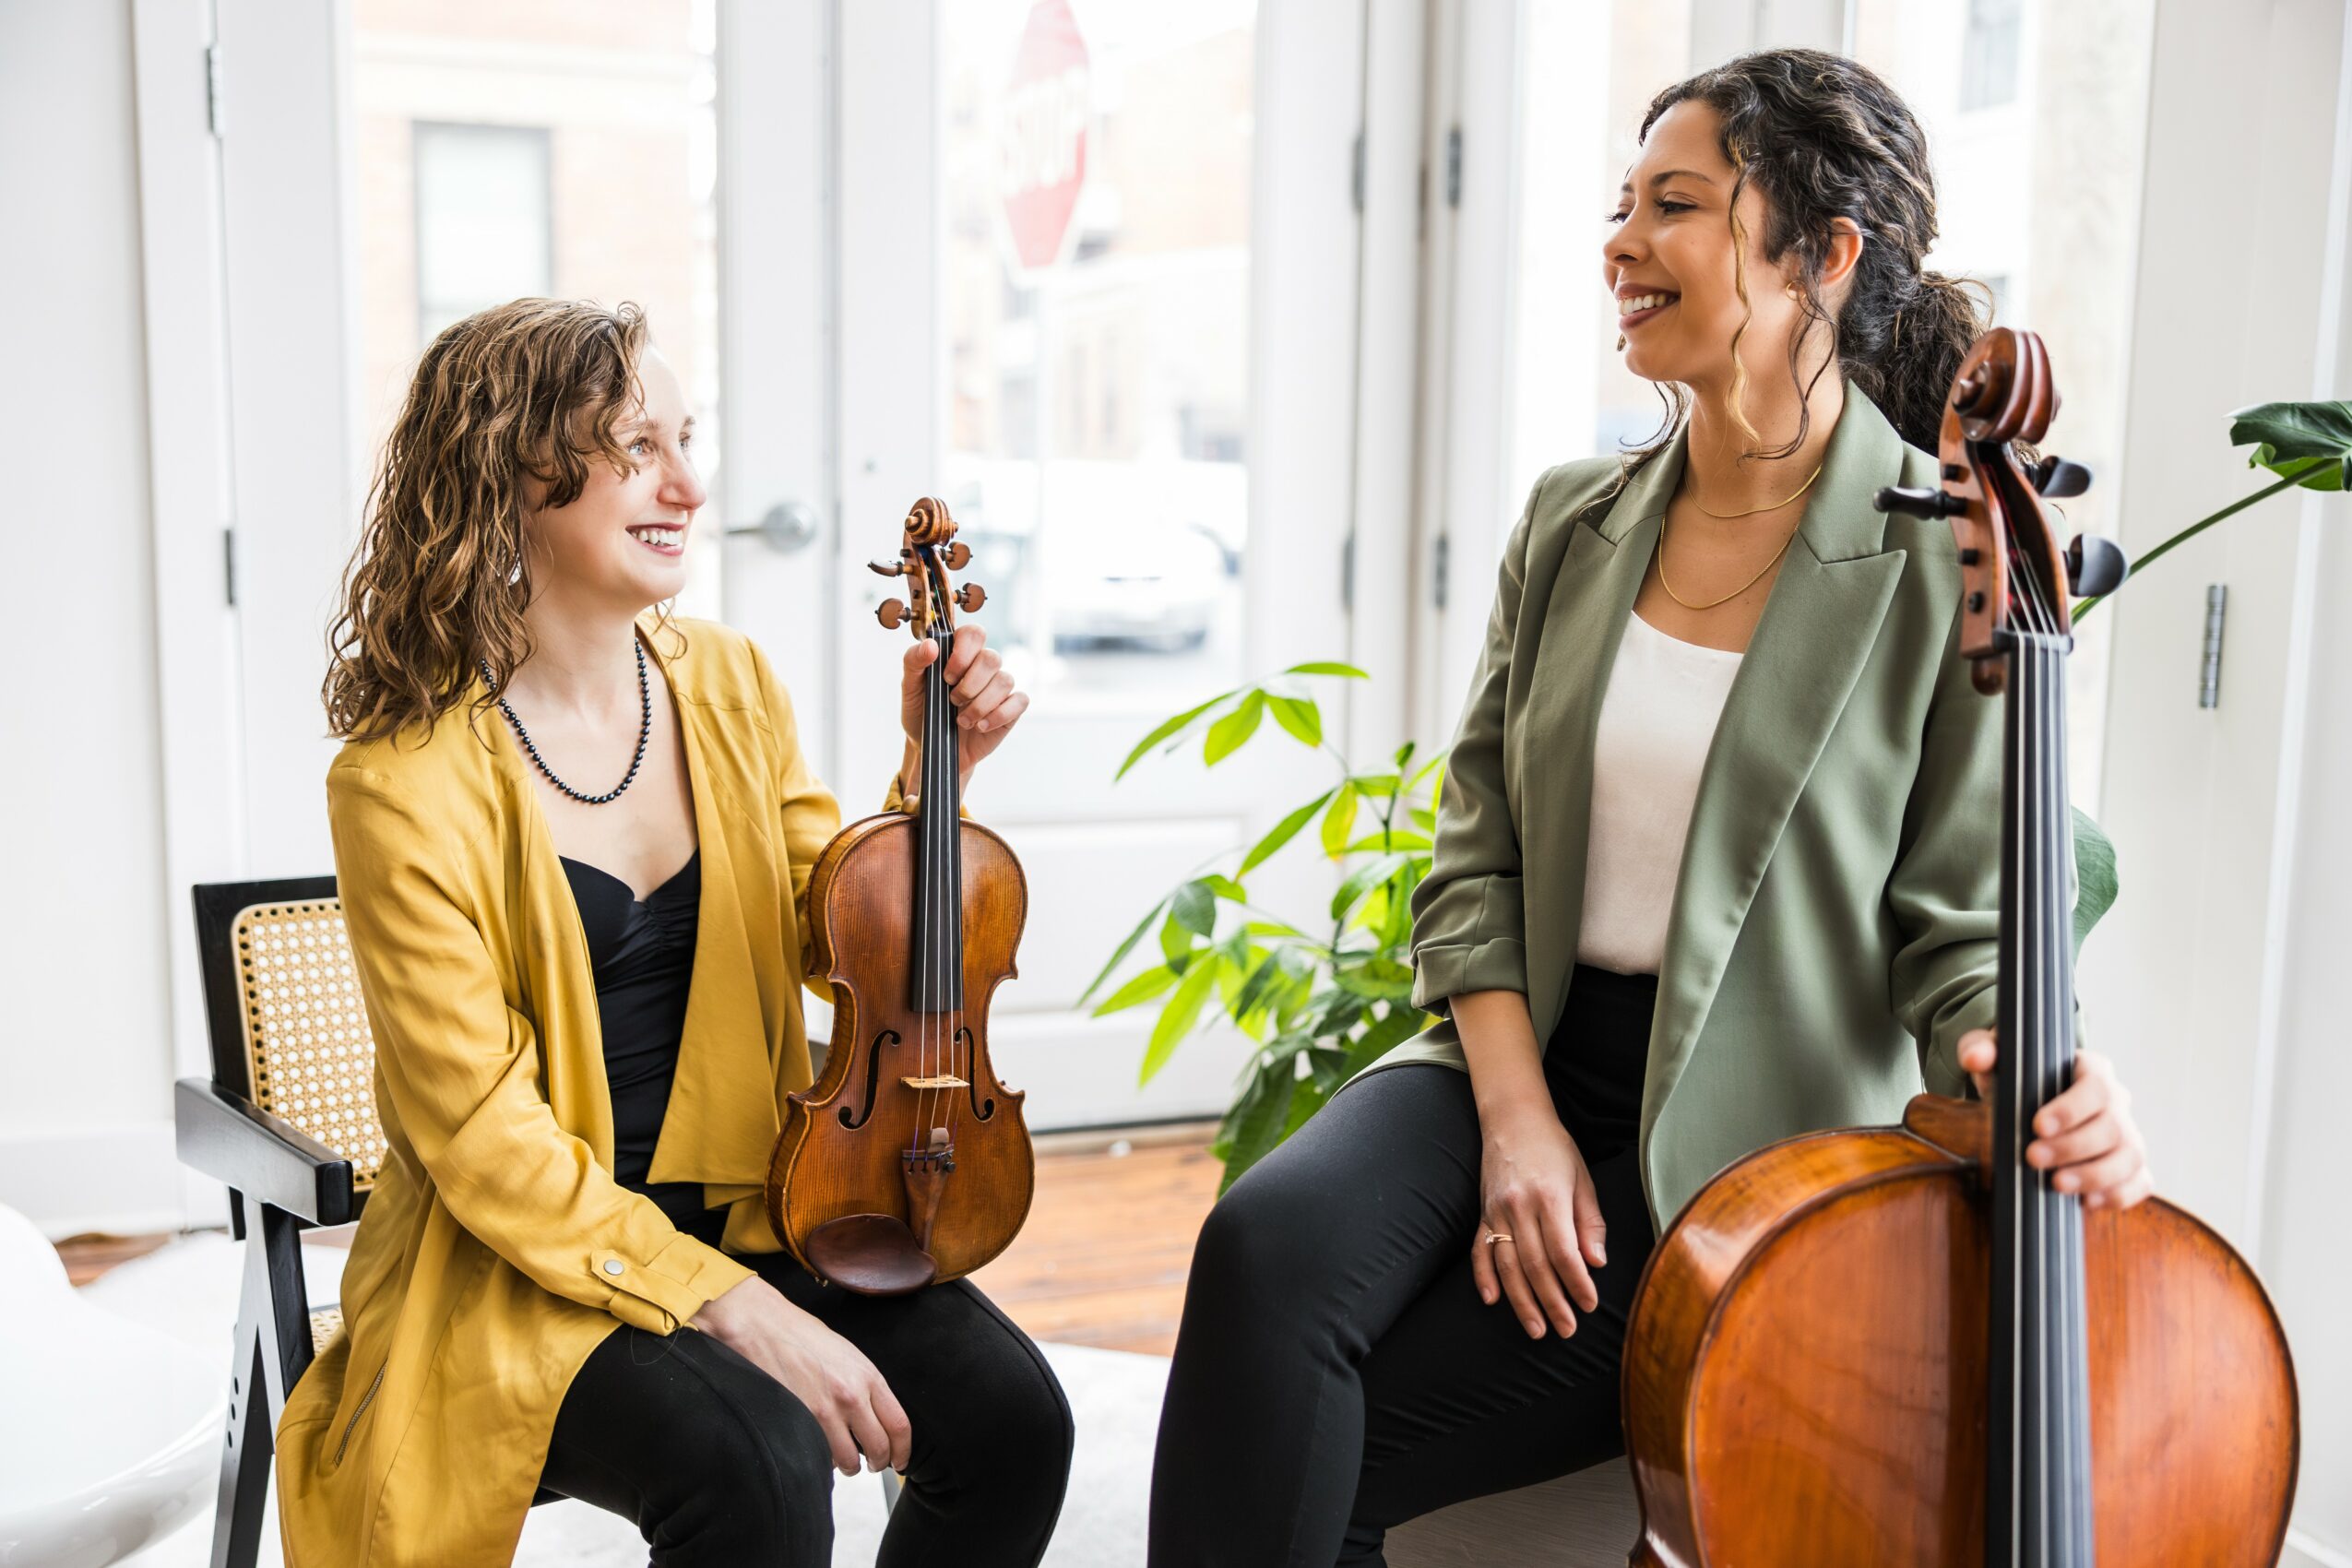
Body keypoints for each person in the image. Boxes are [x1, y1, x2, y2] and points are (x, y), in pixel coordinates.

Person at [1148, 48, 2153, 1566]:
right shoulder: (1574, 519)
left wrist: (2044, 1070)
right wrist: (1516, 1125)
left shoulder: (1941, 554)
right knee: (1260, 1248)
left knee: (1335, 1429)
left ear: (1820, 254)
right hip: (1517, 1046)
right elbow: (1475, 854)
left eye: (1671, 205)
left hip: (1737, 1139)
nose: (1618, 243)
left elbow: (1963, 928)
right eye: (1620, 205)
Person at [284, 297, 1071, 1566]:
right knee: (756, 1462)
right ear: (514, 472)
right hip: (527, 1263)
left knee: (1013, 1421)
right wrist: (732, 1307)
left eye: (686, 440)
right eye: (636, 446)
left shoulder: (729, 681)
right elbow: (482, 1142)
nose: (689, 487)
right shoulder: (400, 781)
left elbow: (840, 941)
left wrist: (937, 782)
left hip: (765, 1204)